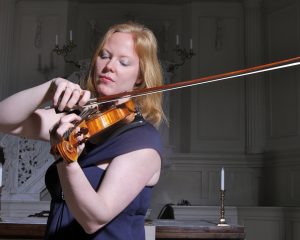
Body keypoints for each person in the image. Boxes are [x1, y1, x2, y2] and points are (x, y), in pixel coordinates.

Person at [0, 21, 165, 239]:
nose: (109, 66)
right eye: (104, 55)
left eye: (124, 62)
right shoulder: (80, 119)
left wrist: (64, 156)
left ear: (141, 77)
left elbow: (94, 219)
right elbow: (5, 119)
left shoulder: (142, 142)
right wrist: (50, 88)